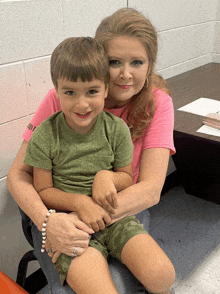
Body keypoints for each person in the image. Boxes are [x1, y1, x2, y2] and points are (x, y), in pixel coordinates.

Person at [7, 7, 176, 294]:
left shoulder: (155, 105)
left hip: (119, 207)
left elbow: (149, 189)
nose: (125, 74)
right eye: (114, 62)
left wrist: (90, 204)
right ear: (99, 62)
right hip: (55, 212)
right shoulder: (62, 100)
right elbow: (18, 176)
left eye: (137, 62)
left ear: (150, 66)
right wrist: (50, 222)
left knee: (157, 277)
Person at [24, 36, 150, 292]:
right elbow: (43, 190)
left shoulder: (116, 129)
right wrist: (80, 203)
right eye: (70, 92)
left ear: (105, 89)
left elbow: (126, 177)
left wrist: (106, 177)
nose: (82, 104)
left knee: (161, 274)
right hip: (67, 222)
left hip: (112, 216)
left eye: (92, 91)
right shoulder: (45, 134)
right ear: (56, 92)